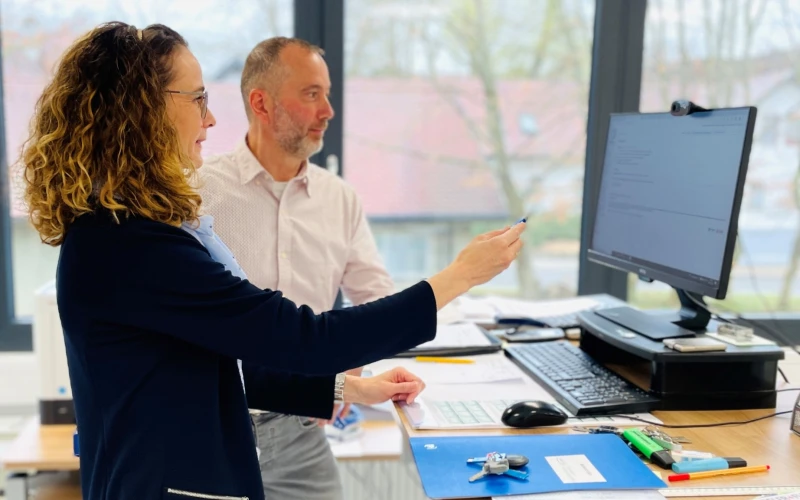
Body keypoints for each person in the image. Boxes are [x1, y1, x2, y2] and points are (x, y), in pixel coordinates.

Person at [21, 22, 526, 500]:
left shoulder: (127, 231)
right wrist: (460, 276)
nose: (211, 117)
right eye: (197, 98)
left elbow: (223, 360)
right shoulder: (133, 244)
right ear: (140, 111)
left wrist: (349, 387)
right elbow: (303, 338)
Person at [199, 37, 394, 500]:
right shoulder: (198, 194)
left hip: (300, 432)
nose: (327, 110)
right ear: (261, 103)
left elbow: (377, 300)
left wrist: (346, 374)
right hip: (215, 426)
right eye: (311, 94)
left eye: (326, 94)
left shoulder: (339, 198)